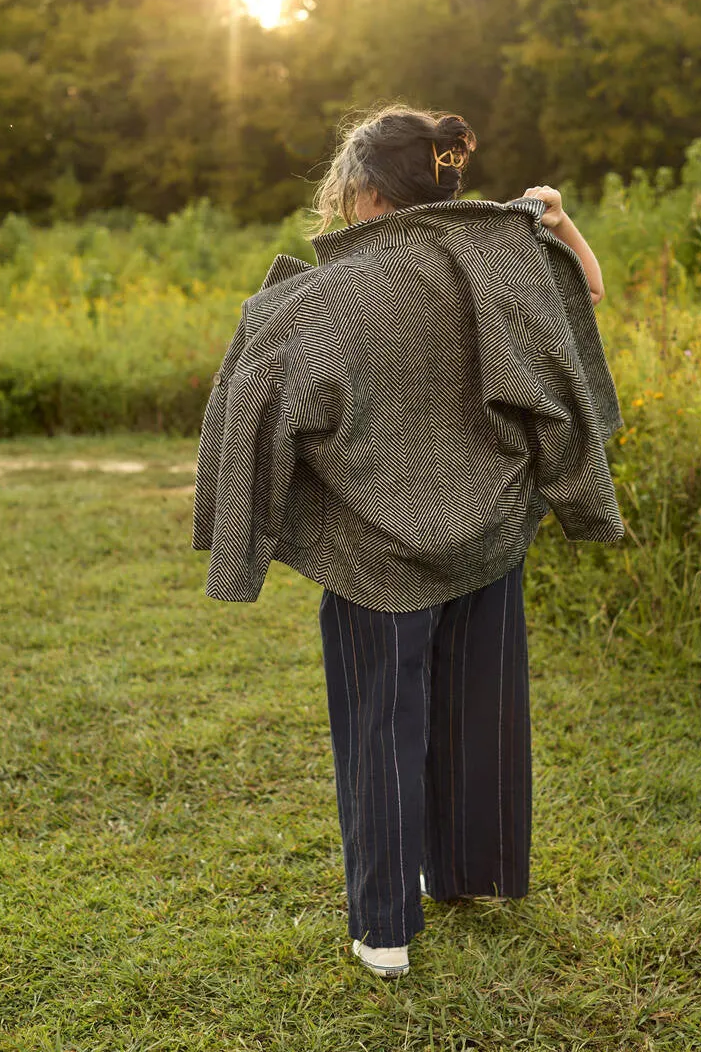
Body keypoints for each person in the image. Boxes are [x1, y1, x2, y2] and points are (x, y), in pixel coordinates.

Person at [192, 102, 624, 979]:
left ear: (358, 190)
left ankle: (384, 932)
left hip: (374, 555)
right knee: (480, 709)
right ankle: (471, 875)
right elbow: (582, 299)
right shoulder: (501, 258)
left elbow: (254, 411)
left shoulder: (318, 301)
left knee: (381, 724)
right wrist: (561, 221)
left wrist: (235, 547)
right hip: (489, 531)